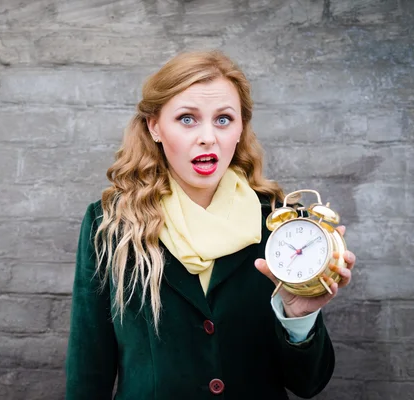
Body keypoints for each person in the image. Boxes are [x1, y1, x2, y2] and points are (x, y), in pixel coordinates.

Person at [65, 50, 356, 399]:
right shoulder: (110, 224)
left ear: (240, 129)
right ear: (154, 126)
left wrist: (299, 319)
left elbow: (308, 384)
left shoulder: (283, 229)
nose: (208, 137)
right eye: (187, 119)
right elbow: (88, 371)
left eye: (223, 119)